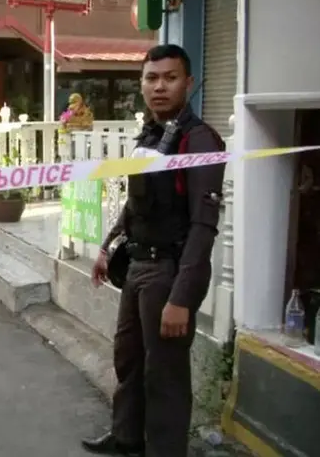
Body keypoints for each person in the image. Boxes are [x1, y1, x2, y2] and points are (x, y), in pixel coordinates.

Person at [82, 44, 226, 457]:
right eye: (151, 78)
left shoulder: (199, 140)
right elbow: (136, 203)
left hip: (170, 270)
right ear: (142, 84)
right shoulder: (149, 134)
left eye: (170, 77)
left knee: (164, 373)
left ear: (189, 83)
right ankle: (127, 437)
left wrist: (182, 298)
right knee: (128, 359)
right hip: (137, 266)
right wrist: (109, 246)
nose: (159, 86)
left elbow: (204, 226)